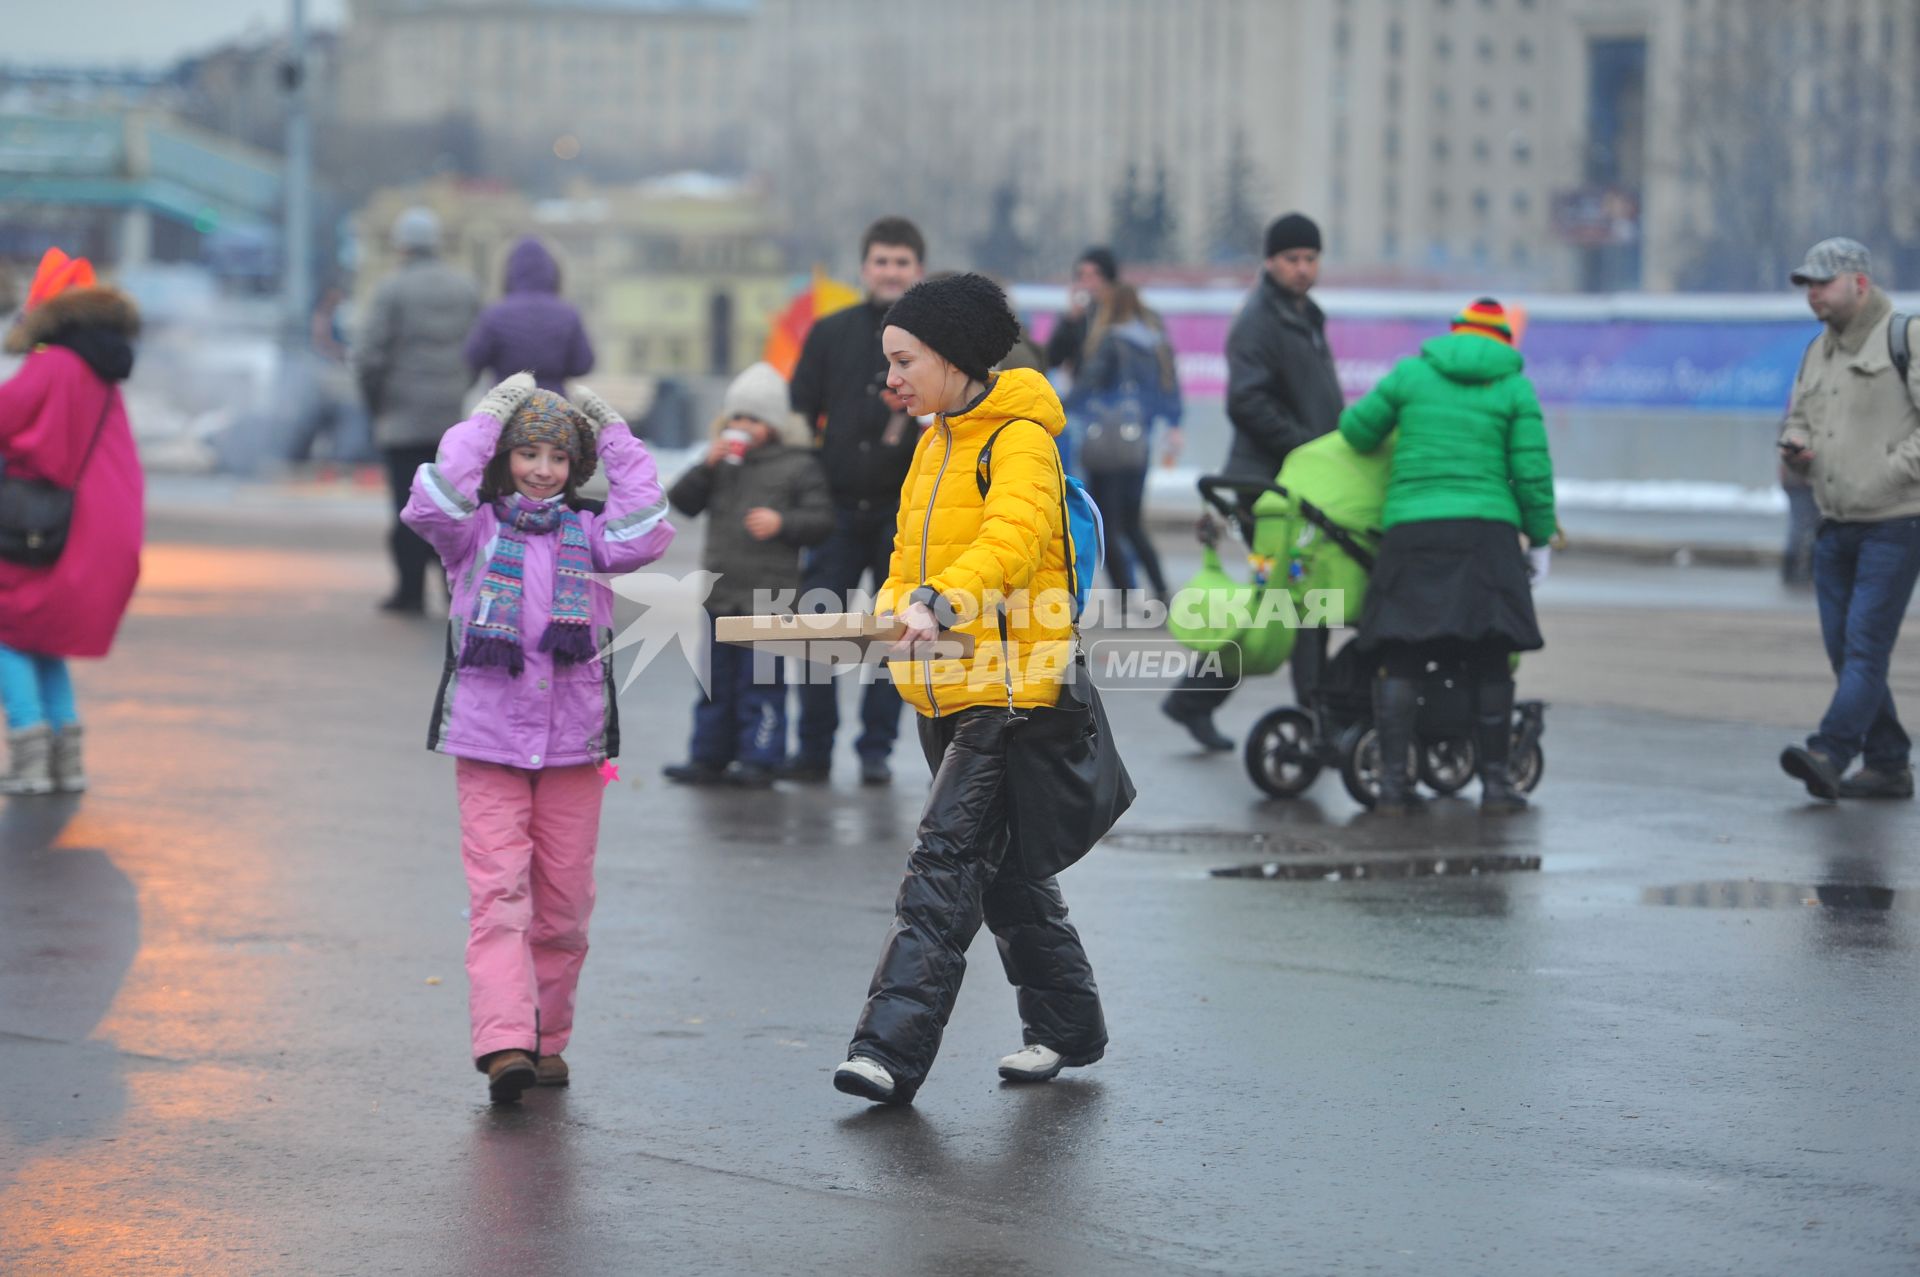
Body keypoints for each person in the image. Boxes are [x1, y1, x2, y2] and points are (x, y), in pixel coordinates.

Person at [832, 273, 1106, 1106]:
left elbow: (1013, 541)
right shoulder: (935, 441)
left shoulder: (1017, 439)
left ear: (952, 355)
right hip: (947, 683)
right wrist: (890, 611)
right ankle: (1068, 1028)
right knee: (1006, 873)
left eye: (905, 359)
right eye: (889, 361)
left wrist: (942, 600)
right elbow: (904, 566)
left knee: (944, 861)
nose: (894, 379)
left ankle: (886, 1052)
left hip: (1010, 686)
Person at [401, 372, 675, 1103]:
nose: (543, 468)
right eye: (527, 452)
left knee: (563, 907)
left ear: (576, 466)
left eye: (559, 456)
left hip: (574, 746)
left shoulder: (592, 537)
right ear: (503, 458)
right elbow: (436, 497)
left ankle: (546, 1039)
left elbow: (646, 523)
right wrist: (487, 414)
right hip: (487, 743)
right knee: (499, 897)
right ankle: (504, 1043)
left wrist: (612, 430)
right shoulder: (472, 533)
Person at [1338, 298, 1556, 815]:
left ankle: (1392, 784)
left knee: (1402, 653)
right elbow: (1531, 473)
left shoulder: (1412, 374)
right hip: (1487, 533)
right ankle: (1498, 785)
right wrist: (1540, 537)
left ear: (1454, 332)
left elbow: (1356, 430)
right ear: (1503, 338)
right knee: (1490, 656)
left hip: (1413, 529)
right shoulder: (1514, 386)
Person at [1161, 212, 1344, 751]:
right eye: (1292, 259)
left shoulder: (1305, 313)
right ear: (1270, 261)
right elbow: (1246, 402)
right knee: (1299, 600)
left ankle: (1194, 700)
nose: (1303, 268)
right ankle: (1315, 718)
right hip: (1266, 487)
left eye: (1311, 258)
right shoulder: (1260, 320)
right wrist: (1308, 447)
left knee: (1283, 601)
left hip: (1299, 481)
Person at [783, 216, 926, 785]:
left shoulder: (933, 342)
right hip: (834, 505)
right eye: (882, 261)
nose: (890, 272)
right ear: (865, 268)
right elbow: (798, 414)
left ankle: (876, 749)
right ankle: (813, 749)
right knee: (819, 631)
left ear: (918, 270)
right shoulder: (830, 331)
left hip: (905, 511)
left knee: (896, 633)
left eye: (902, 262)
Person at [1777, 237, 1920, 801]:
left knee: (1864, 648)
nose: (1812, 294)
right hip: (1833, 522)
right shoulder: (1818, 350)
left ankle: (1830, 751)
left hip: (1896, 522)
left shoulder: (1904, 337)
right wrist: (1795, 444)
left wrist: (1887, 473)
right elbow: (1800, 418)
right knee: (1843, 651)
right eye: (1807, 285)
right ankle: (1887, 762)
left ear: (1859, 283)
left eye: (1822, 282)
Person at [0, 248, 143, 796]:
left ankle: (29, 754)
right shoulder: (100, 371)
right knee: (43, 636)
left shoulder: (55, 364)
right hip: (98, 523)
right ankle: (67, 757)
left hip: (51, 523)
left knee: (9, 630)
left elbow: (9, 415)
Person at [662, 362, 832, 787]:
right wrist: (706, 465)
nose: (743, 426)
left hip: (769, 598)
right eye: (736, 417)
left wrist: (782, 523)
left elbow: (823, 519)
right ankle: (709, 756)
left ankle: (761, 757)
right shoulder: (721, 463)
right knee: (715, 683)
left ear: (775, 423)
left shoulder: (798, 465)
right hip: (721, 592)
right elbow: (682, 502)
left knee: (762, 684)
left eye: (754, 418)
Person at [355, 206, 481, 615]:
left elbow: (369, 356)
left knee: (409, 509)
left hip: (402, 418)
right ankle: (453, 590)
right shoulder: (465, 289)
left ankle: (409, 593)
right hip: (452, 418)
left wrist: (376, 404)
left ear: (402, 245)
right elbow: (477, 350)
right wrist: (460, 389)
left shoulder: (391, 290)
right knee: (452, 507)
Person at [1064, 281, 1181, 600]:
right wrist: (1173, 423)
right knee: (1132, 522)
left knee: (1107, 523)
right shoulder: (1156, 342)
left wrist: (1058, 408)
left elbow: (1089, 383)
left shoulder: (1111, 340)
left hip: (1107, 445)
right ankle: (1160, 589)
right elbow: (1169, 390)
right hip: (1138, 443)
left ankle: (1128, 595)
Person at [463, 236, 595, 395]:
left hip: (505, 407)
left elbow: (473, 358)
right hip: (554, 408)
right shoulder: (568, 314)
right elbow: (583, 365)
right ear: (554, 271)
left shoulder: (495, 313)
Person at [1043, 245, 1119, 380]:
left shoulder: (1120, 314)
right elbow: (1053, 359)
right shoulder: (1079, 317)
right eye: (1081, 275)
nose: (1087, 281)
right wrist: (1071, 319)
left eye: (1094, 275)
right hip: (1083, 393)